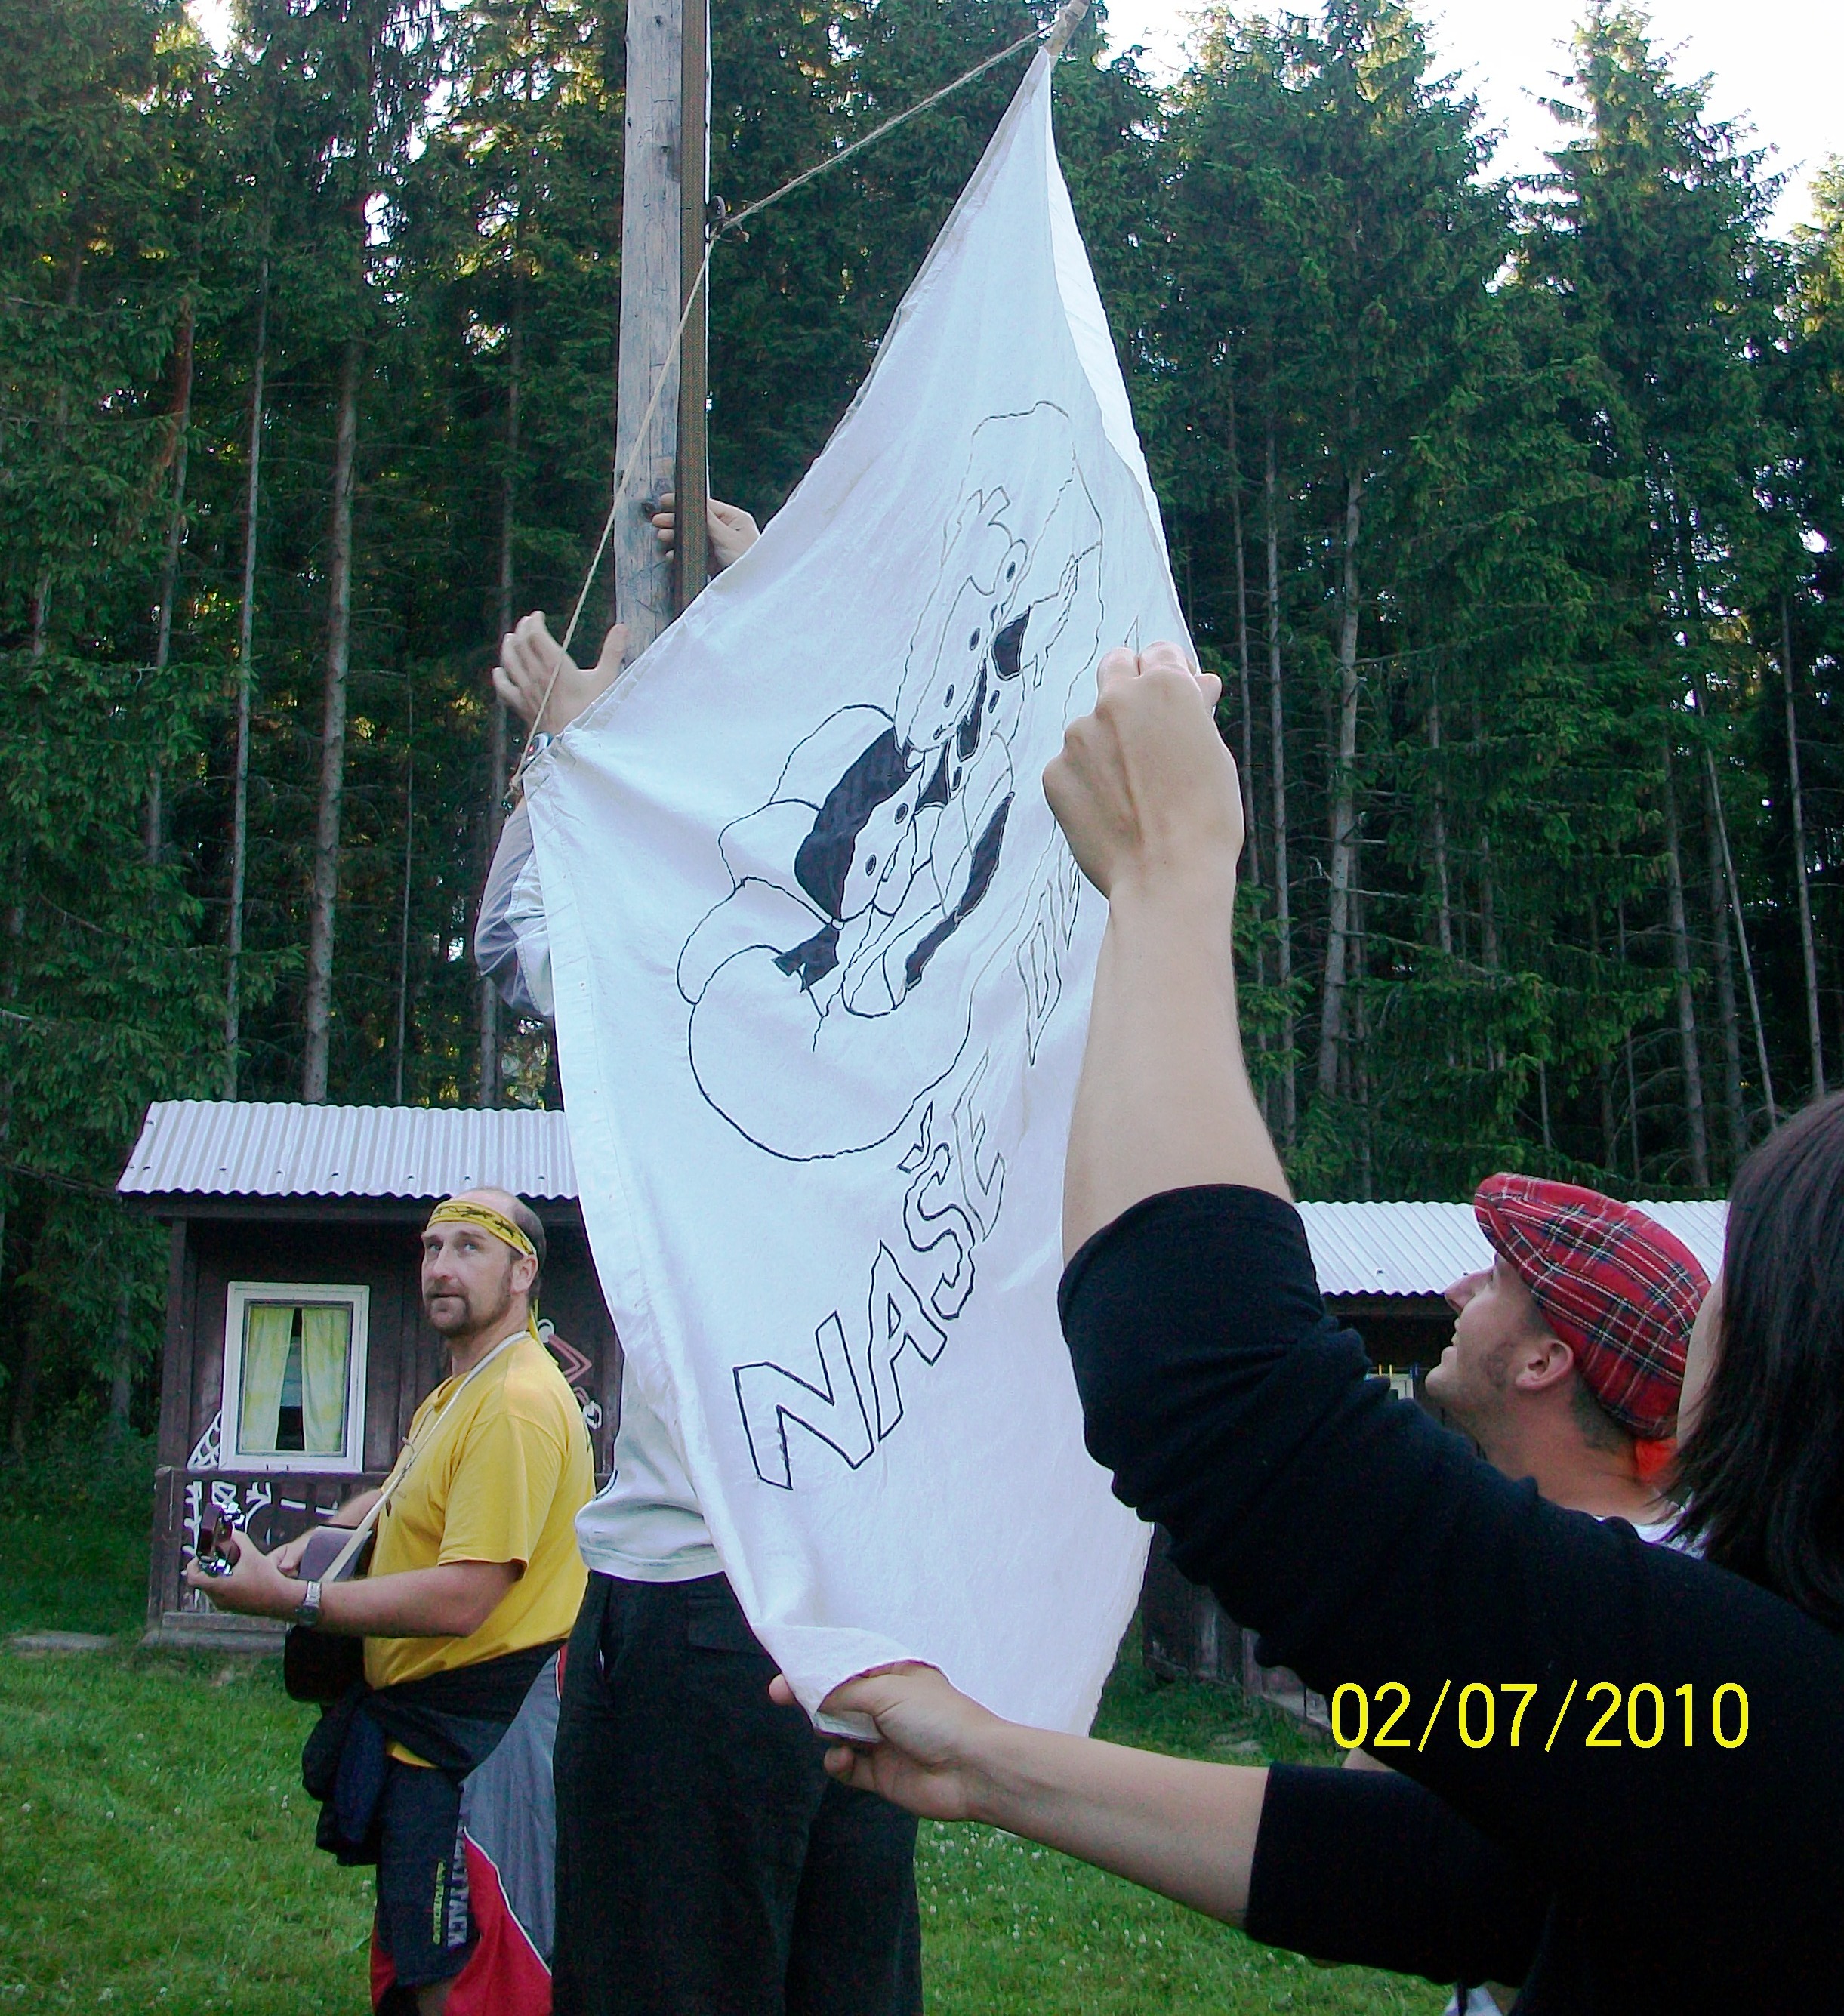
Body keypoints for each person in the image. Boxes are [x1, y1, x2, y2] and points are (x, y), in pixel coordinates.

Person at [785, 641, 1843, 2011]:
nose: (1708, 1314)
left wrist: (1170, 868)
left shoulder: (1778, 1722)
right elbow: (1445, 1875)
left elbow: (1213, 1388)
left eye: (1744, 1279)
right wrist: (988, 1763)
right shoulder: (1746, 1738)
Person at [476, 497, 925, 2016]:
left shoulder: (712, 1017)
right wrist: (790, 615)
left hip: (700, 1605)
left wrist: (584, 746)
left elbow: (519, 938)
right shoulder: (916, 1023)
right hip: (857, 1608)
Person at [187, 1188, 595, 2016]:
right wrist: (332, 1535)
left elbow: (465, 1597)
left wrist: (297, 1599)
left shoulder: (514, 1403)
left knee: (473, 1984)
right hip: (428, 1737)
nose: (441, 1267)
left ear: (523, 1272)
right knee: (418, 1967)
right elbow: (414, 1493)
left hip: (483, 1741)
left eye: (469, 1248)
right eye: (432, 1248)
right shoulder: (462, 1392)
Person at [1425, 1176, 1707, 1536]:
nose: (1455, 1293)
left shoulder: (1546, 1564)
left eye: (1494, 1280)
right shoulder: (1695, 1559)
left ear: (1541, 1363)